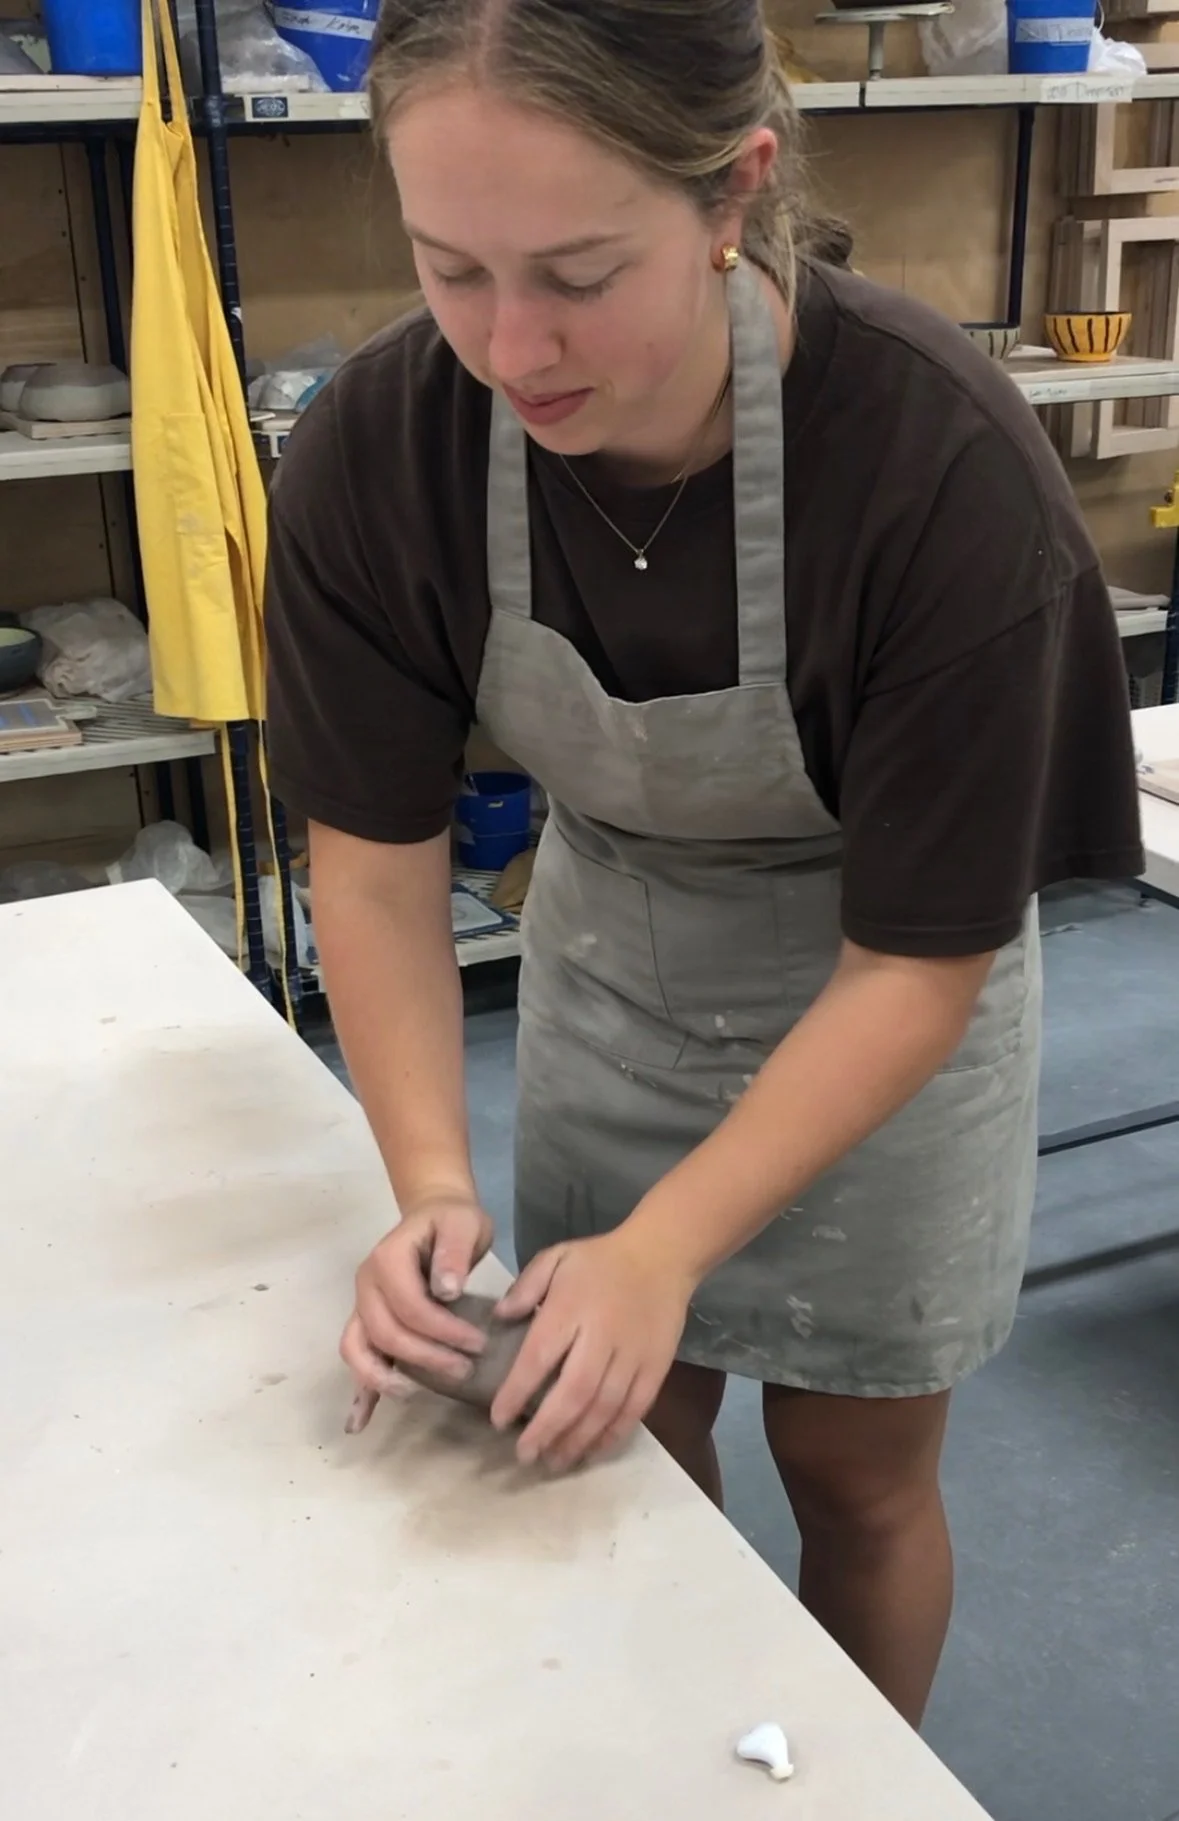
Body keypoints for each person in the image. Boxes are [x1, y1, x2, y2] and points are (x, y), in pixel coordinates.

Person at [264, 0, 1143, 1727]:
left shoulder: (933, 466)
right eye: (450, 268)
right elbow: (369, 872)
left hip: (887, 998)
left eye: (578, 274)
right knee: (610, 1427)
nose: (511, 346)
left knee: (852, 1468)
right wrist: (434, 1187)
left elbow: (917, 960)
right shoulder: (384, 448)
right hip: (618, 967)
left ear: (732, 189)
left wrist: (666, 1250)